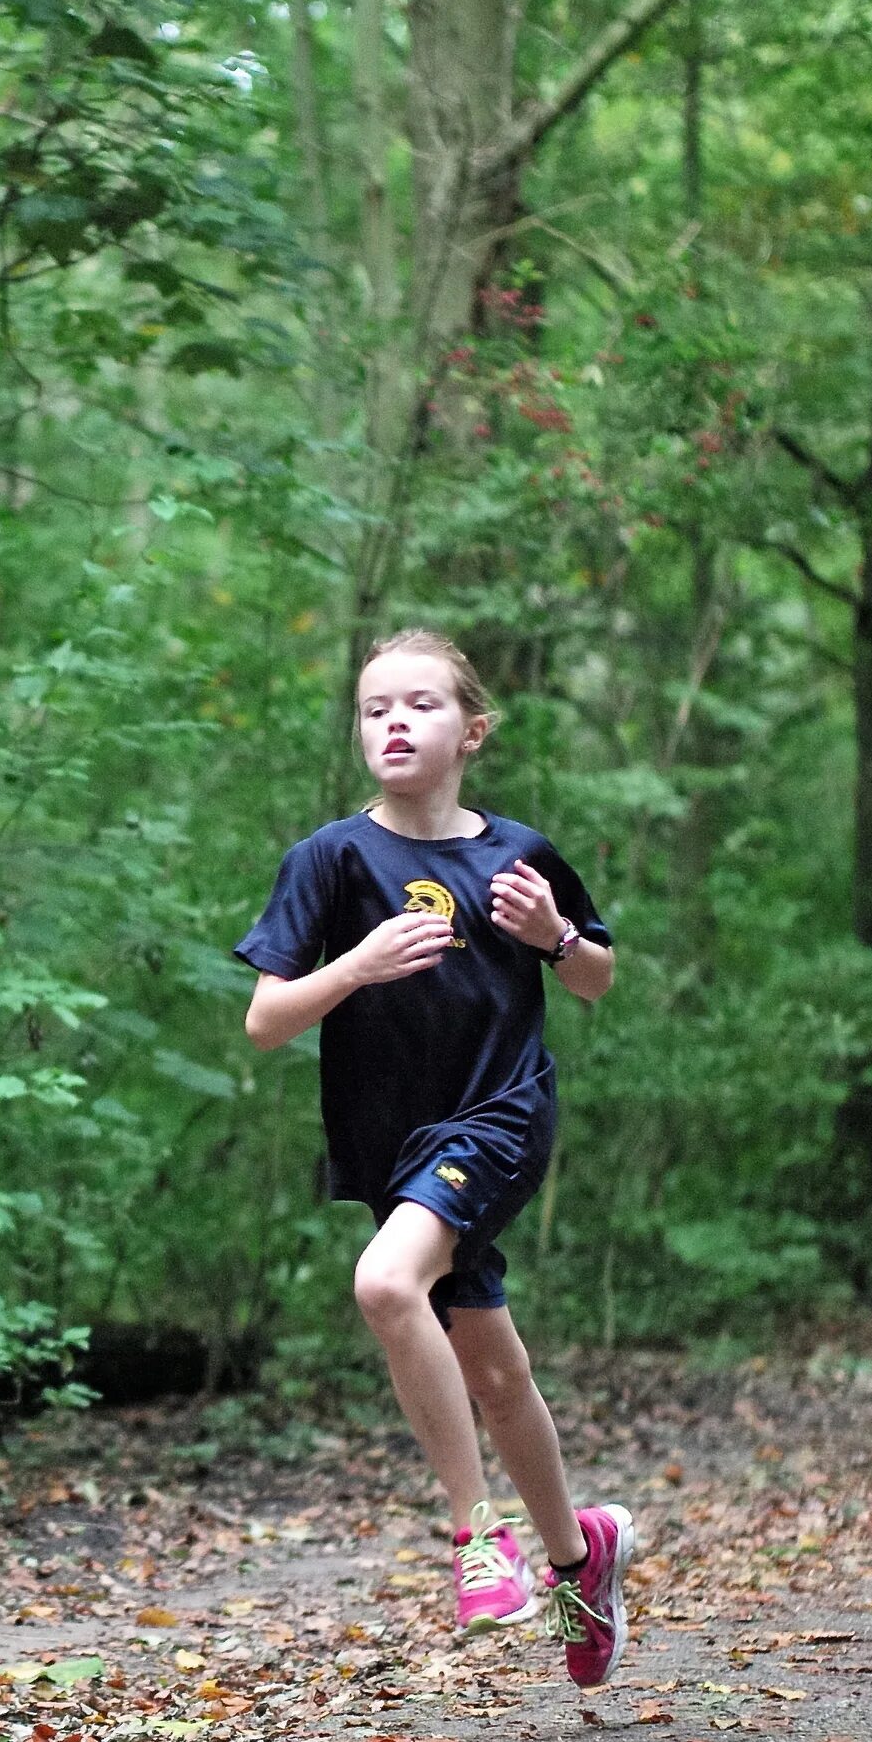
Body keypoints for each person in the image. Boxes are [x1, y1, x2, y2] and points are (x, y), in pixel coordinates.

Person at [236, 629, 636, 1687]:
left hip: (498, 1114)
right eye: (375, 709)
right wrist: (355, 968)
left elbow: (596, 979)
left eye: (420, 704)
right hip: (390, 1145)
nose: (395, 722)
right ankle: (577, 1558)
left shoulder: (519, 852)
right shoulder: (330, 859)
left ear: (472, 730)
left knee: (383, 1281)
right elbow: (266, 1019)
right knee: (496, 1375)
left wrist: (556, 934)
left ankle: (478, 1540)